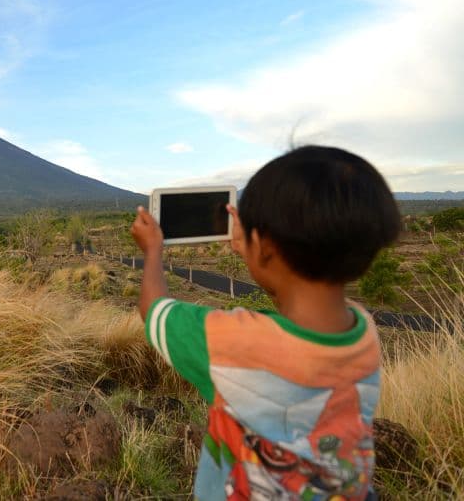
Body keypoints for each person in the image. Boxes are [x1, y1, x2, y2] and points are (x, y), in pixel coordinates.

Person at [130, 146, 400, 500]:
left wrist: (153, 252)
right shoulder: (363, 332)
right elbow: (299, 305)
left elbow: (154, 310)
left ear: (265, 244)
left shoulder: (231, 341)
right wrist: (258, 251)